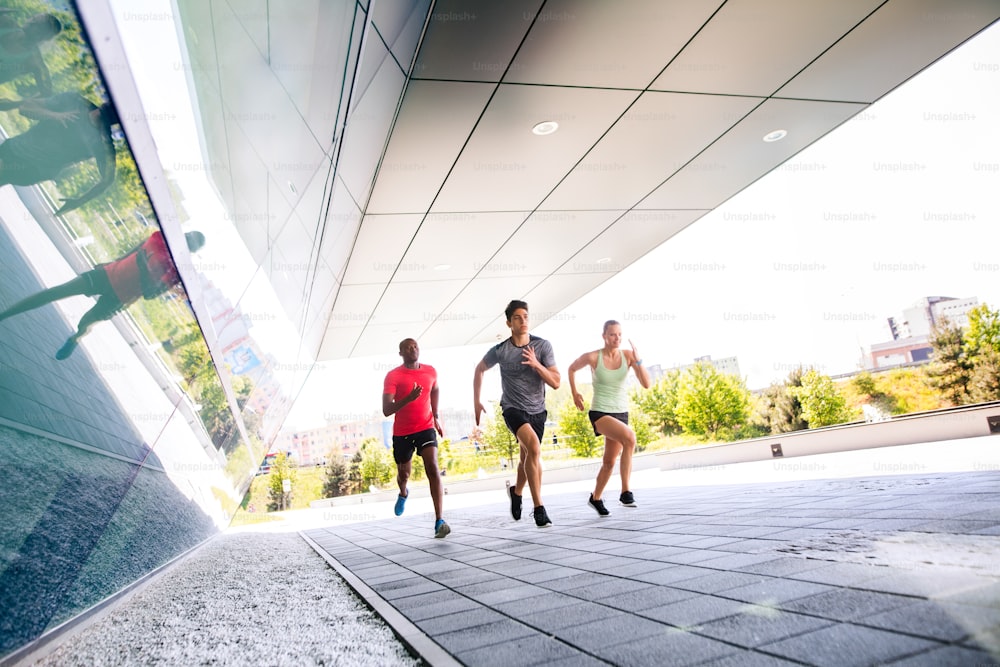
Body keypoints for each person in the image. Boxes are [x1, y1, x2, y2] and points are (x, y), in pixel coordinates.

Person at [0, 229, 204, 360]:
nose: (184, 241)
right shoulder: (158, 236)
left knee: (85, 323)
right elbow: (134, 250)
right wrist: (110, 262)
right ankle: (4, 315)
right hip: (106, 274)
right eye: (185, 236)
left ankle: (75, 339)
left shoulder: (175, 273)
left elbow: (150, 295)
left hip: (119, 298)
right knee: (55, 292)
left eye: (189, 243)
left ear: (190, 252)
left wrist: (143, 269)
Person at [474, 300, 560, 527]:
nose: (523, 321)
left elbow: (556, 383)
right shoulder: (501, 350)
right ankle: (539, 508)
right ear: (509, 323)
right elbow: (479, 369)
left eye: (526, 317)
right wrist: (476, 401)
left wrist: (536, 365)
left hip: (538, 410)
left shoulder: (542, 346)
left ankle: (517, 491)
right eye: (517, 318)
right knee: (534, 448)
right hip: (512, 408)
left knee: (526, 458)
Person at [567, 320, 651, 516]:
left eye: (620, 334)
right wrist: (574, 393)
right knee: (630, 437)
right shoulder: (593, 357)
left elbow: (646, 384)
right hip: (600, 412)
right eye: (613, 334)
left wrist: (638, 361)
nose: (617, 338)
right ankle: (625, 492)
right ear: (604, 336)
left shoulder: (628, 356)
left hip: (621, 412)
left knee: (609, 462)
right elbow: (571, 369)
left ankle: (595, 498)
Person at [0, 92, 119, 215]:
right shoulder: (76, 101)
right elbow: (25, 108)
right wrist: (54, 115)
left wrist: (78, 202)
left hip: (33, 169)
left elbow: (108, 179)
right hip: (15, 147)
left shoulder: (103, 143)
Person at [382, 338, 450, 539]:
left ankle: (439, 520)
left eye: (416, 346)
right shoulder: (393, 376)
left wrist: (436, 415)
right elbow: (386, 410)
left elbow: (435, 388)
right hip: (402, 432)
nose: (413, 350)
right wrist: (408, 398)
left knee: (433, 466)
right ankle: (403, 492)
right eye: (408, 348)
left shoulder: (430, 371)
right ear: (401, 352)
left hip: (425, 427)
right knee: (404, 474)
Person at [0, 11, 61, 94]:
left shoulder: (35, 61)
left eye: (38, 25)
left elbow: (47, 94)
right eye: (33, 18)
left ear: (46, 37)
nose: (31, 22)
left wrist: (15, 104)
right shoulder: (6, 23)